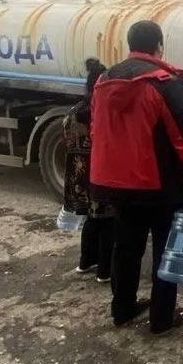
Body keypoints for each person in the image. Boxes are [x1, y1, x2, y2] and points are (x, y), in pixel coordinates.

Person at [89, 21, 183, 336]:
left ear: (130, 44)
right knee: (166, 250)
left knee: (126, 247)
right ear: (159, 46)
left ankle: (122, 310)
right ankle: (161, 320)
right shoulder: (163, 83)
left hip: (117, 185)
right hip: (161, 186)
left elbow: (98, 131)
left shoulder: (104, 81)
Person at [62, 58, 113, 282]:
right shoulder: (101, 110)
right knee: (107, 221)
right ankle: (105, 270)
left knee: (92, 220)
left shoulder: (76, 110)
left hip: (79, 175)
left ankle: (86, 261)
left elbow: (67, 134)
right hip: (99, 173)